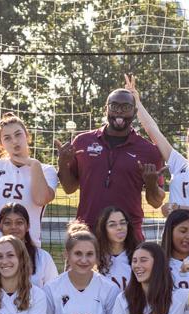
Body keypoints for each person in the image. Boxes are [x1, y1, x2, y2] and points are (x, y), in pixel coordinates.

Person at [124, 75, 189, 259]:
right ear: (188, 140)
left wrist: (177, 209)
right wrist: (136, 102)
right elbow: (152, 130)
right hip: (173, 243)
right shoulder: (179, 164)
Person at [55, 87, 165, 241]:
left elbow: (156, 203)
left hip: (128, 236)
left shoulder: (149, 151)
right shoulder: (82, 141)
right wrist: (63, 165)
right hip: (87, 234)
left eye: (125, 107)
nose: (119, 111)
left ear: (134, 112)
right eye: (114, 106)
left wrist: (152, 184)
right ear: (105, 109)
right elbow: (69, 188)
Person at [0, 113, 58, 256]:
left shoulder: (46, 170)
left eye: (18, 135)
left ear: (27, 136)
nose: (14, 141)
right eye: (7, 138)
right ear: (1, 144)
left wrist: (33, 164)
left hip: (26, 247)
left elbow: (40, 199)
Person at [0, 203, 59, 287]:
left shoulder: (43, 258)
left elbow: (53, 292)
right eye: (7, 223)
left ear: (28, 226)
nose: (13, 227)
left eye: (19, 223)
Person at [94, 206, 137, 290]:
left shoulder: (137, 254)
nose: (119, 228)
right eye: (112, 225)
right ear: (104, 229)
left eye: (123, 223)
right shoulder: (96, 256)